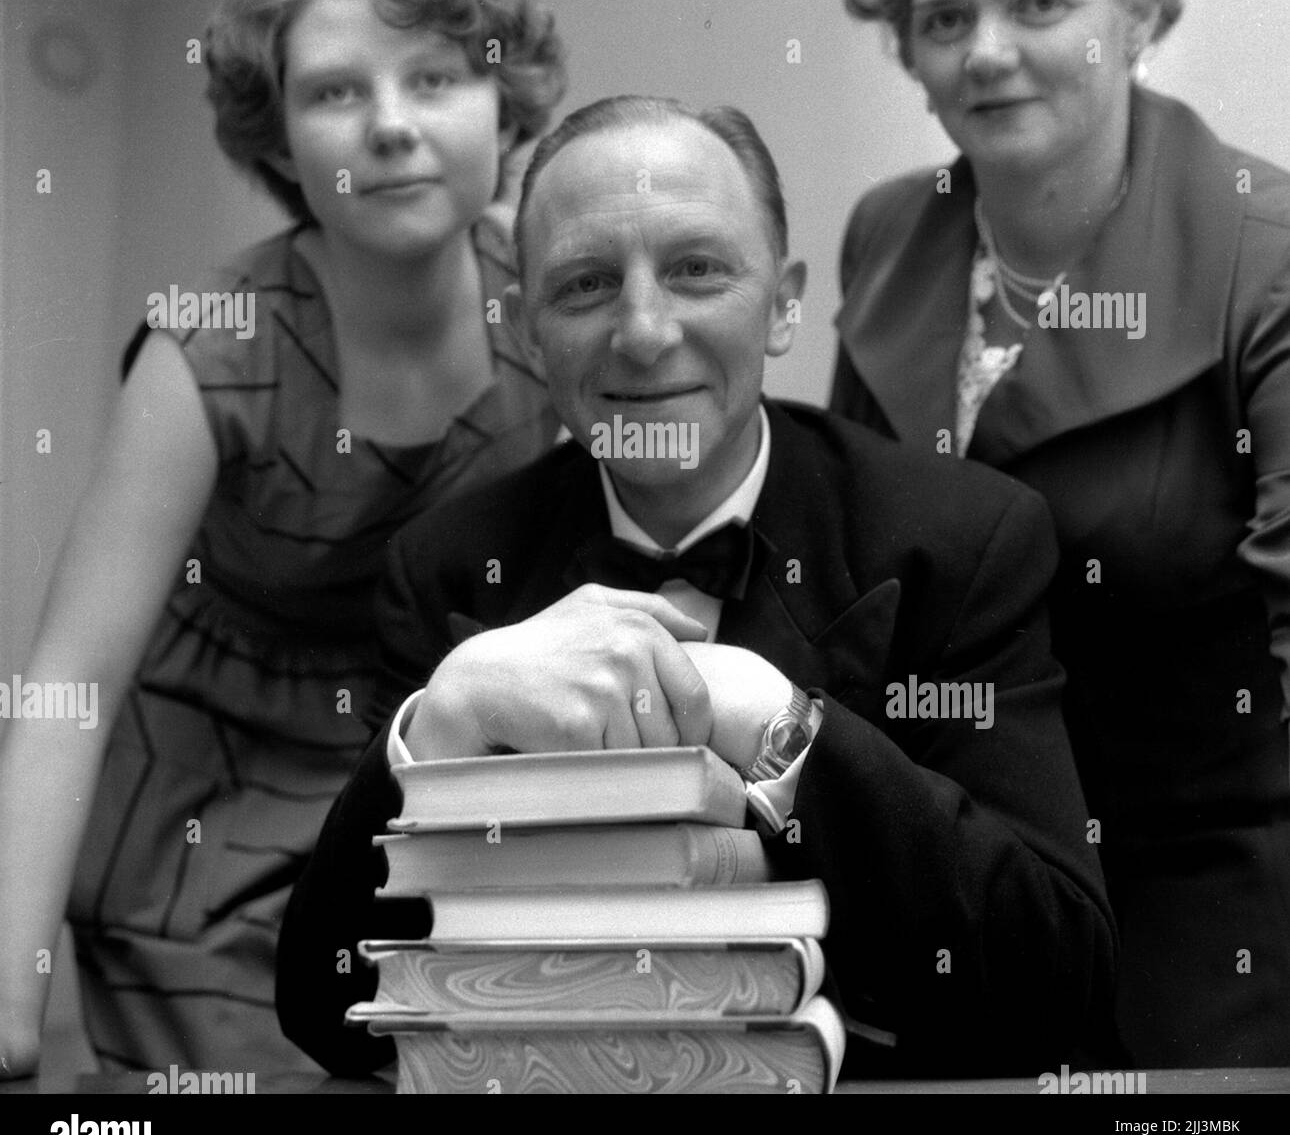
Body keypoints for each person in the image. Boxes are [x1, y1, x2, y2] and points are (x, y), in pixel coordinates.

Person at [276, 95, 1117, 1082]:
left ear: (785, 303)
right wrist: (442, 717)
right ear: (528, 328)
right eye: (585, 285)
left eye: (696, 269)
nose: (643, 331)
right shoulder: (451, 566)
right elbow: (326, 1007)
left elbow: (1059, 983)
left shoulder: (961, 539)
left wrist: (784, 729)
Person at [0, 0, 566, 1077]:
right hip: (197, 809)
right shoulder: (210, 345)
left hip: (423, 776)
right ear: (282, 141)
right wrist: (9, 989)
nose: (395, 124)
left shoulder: (552, 298)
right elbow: (70, 680)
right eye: (336, 93)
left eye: (437, 78)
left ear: (506, 109)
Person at [830, 0, 1290, 1068]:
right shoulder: (883, 238)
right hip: (949, 889)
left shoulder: (1266, 252)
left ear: (1139, 13)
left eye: (1038, 4)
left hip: (1209, 900)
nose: (984, 52)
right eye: (943, 17)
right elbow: (851, 587)